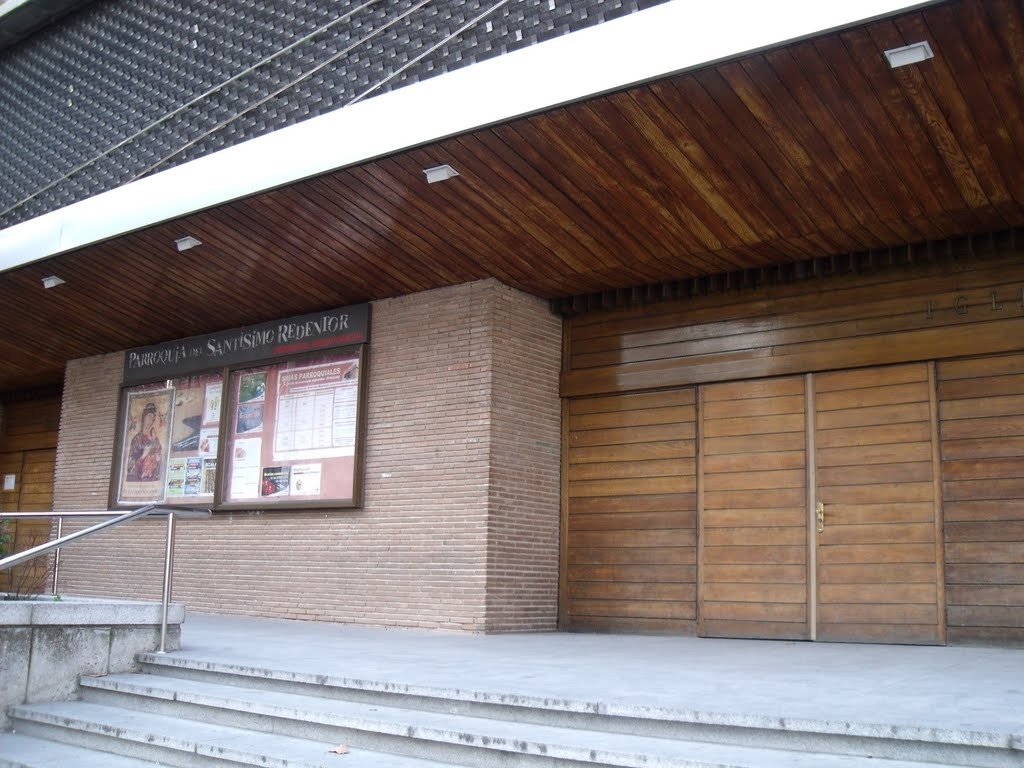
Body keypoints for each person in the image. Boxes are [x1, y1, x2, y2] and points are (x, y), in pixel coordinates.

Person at [126, 402, 163, 481]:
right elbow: (129, 467)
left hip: (152, 479)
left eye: (152, 418)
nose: (150, 420)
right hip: (138, 480)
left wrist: (158, 459)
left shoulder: (155, 440)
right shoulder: (136, 440)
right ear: (144, 417)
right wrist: (143, 455)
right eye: (148, 416)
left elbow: (161, 464)